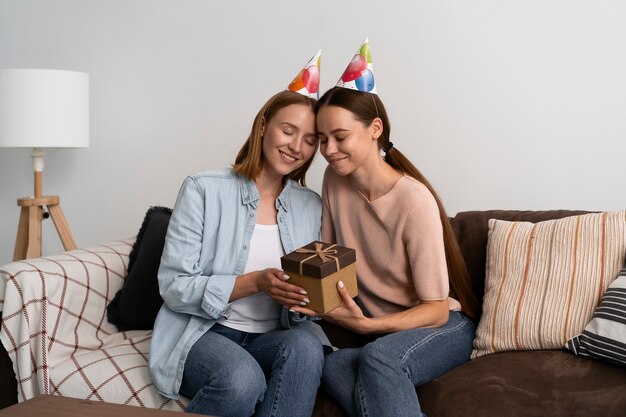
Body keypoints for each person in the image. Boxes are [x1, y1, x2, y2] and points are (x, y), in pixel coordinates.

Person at [291, 40, 479, 417]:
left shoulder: (413, 200)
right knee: (333, 366)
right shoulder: (333, 180)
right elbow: (332, 262)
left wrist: (368, 325)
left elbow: (436, 310)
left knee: (378, 358)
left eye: (340, 137)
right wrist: (309, 301)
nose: (328, 150)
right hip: (386, 330)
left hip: (442, 326)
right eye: (323, 139)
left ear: (375, 129)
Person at [149, 51, 330, 417]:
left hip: (274, 336)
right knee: (242, 378)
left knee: (308, 348)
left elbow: (306, 305)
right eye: (287, 130)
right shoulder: (203, 188)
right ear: (263, 125)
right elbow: (174, 286)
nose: (296, 147)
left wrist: (308, 302)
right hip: (205, 332)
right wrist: (256, 282)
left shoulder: (310, 205)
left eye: (310, 140)